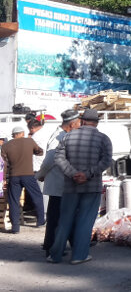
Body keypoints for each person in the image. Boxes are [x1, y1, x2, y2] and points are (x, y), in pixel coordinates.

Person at [48, 109, 112, 264]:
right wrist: (88, 174)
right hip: (92, 187)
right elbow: (106, 161)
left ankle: (55, 255)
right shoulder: (104, 139)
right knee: (85, 221)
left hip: (71, 186)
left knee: (65, 221)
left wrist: (73, 173)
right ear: (97, 122)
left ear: (82, 121)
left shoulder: (68, 136)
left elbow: (58, 158)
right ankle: (79, 256)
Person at [36, 109, 81, 255]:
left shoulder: (65, 135)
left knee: (65, 215)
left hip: (63, 184)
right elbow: (49, 159)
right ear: (72, 124)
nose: (80, 125)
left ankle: (69, 244)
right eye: (79, 123)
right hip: (58, 184)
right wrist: (41, 175)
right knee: (55, 217)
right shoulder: (58, 137)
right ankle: (51, 247)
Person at [1, 127, 45, 233]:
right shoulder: (29, 141)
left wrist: (4, 179)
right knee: (37, 196)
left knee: (13, 201)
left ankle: (15, 227)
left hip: (14, 176)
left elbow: (4, 164)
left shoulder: (5, 146)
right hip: (28, 174)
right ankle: (40, 221)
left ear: (13, 135)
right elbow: (40, 152)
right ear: (22, 133)